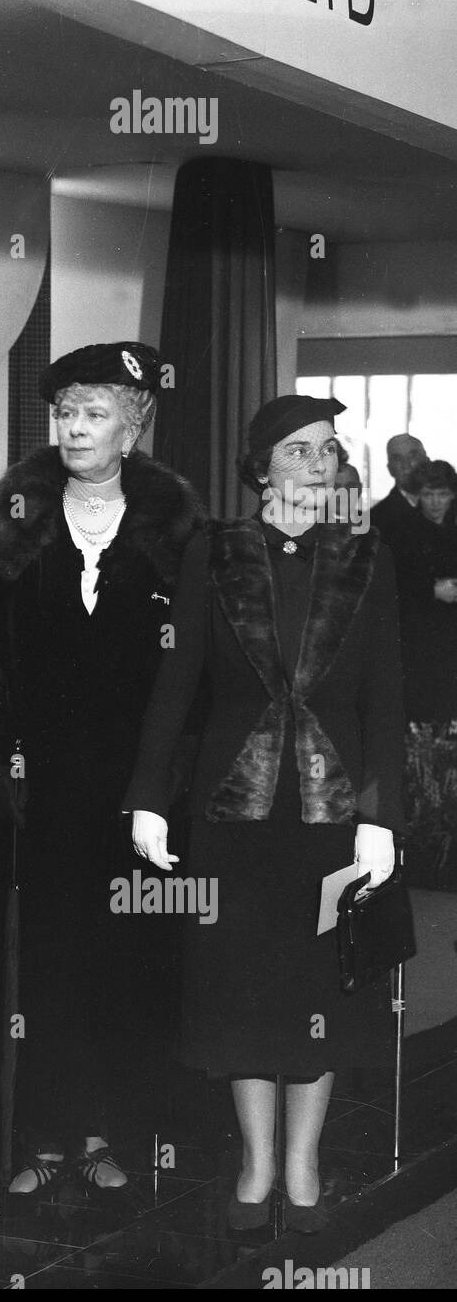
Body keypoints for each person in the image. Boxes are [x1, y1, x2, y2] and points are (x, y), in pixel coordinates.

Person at [128, 394, 404, 1234]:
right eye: (297, 451)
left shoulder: (365, 554)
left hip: (331, 812)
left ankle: (303, 1162)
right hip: (232, 809)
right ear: (259, 468)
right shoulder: (212, 552)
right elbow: (175, 683)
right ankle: (254, 1163)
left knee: (321, 982)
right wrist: (146, 798)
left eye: (328, 450)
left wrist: (380, 817)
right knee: (238, 986)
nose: (318, 465)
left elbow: (384, 696)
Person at [0, 342, 203, 1194]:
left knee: (120, 962)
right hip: (37, 790)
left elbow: (197, 670)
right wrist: (0, 763)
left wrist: (166, 777)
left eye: (95, 413)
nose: (75, 428)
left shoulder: (176, 533)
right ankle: (38, 1137)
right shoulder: (17, 522)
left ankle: (103, 1133)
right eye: (64, 413)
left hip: (138, 791)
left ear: (133, 426)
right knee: (41, 962)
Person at [399, 460, 457, 724]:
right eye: (428, 494)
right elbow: (393, 585)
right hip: (422, 637)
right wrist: (431, 590)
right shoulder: (403, 531)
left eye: (442, 494)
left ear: (452, 495)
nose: (435, 502)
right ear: (417, 495)